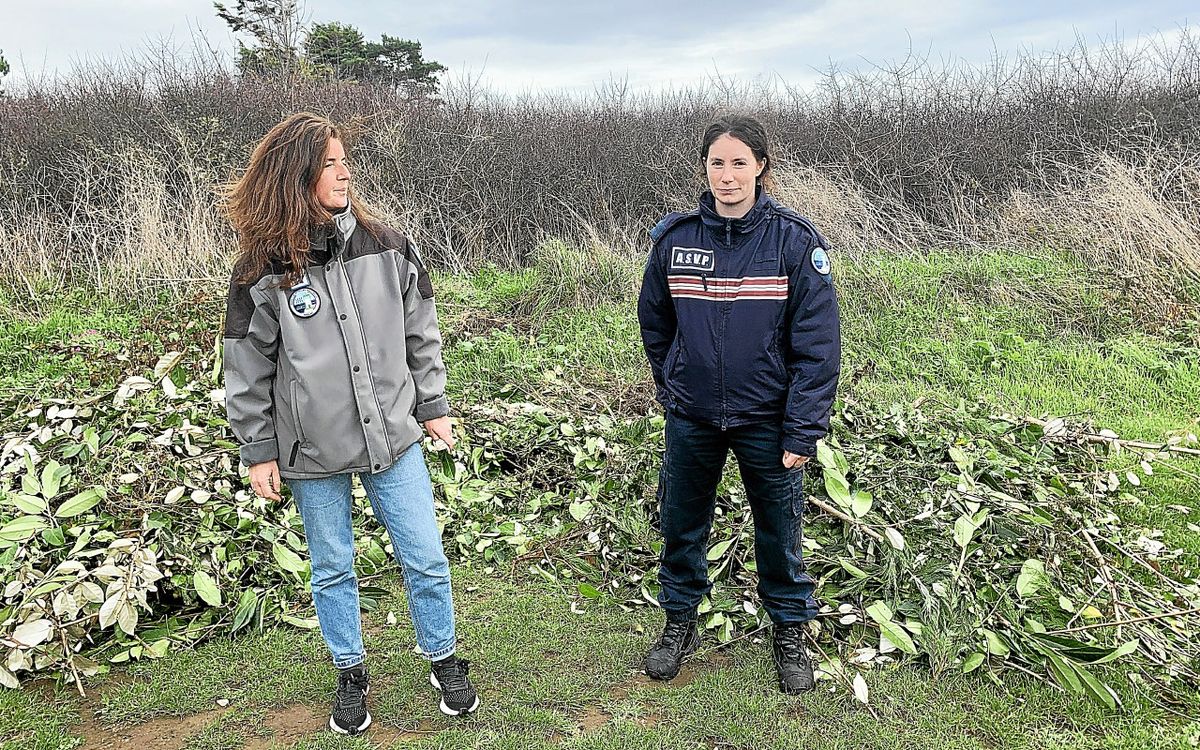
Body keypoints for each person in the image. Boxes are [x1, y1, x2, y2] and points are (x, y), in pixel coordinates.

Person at [221, 112, 479, 735]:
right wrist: (259, 449)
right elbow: (247, 364)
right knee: (333, 565)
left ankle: (443, 657)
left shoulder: (386, 244)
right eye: (329, 164)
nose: (343, 174)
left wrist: (433, 405)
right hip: (311, 450)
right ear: (296, 175)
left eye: (344, 162)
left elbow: (421, 332)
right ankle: (350, 672)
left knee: (424, 554)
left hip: (393, 435)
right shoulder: (261, 269)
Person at [637, 114, 841, 694]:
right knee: (682, 524)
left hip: (766, 420)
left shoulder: (795, 242)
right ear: (704, 168)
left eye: (738, 163)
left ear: (761, 168)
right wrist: (673, 381)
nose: (727, 175)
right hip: (693, 417)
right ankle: (679, 621)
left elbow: (818, 344)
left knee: (779, 532)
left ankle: (790, 631)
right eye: (716, 163)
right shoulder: (676, 240)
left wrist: (802, 430)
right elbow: (655, 322)